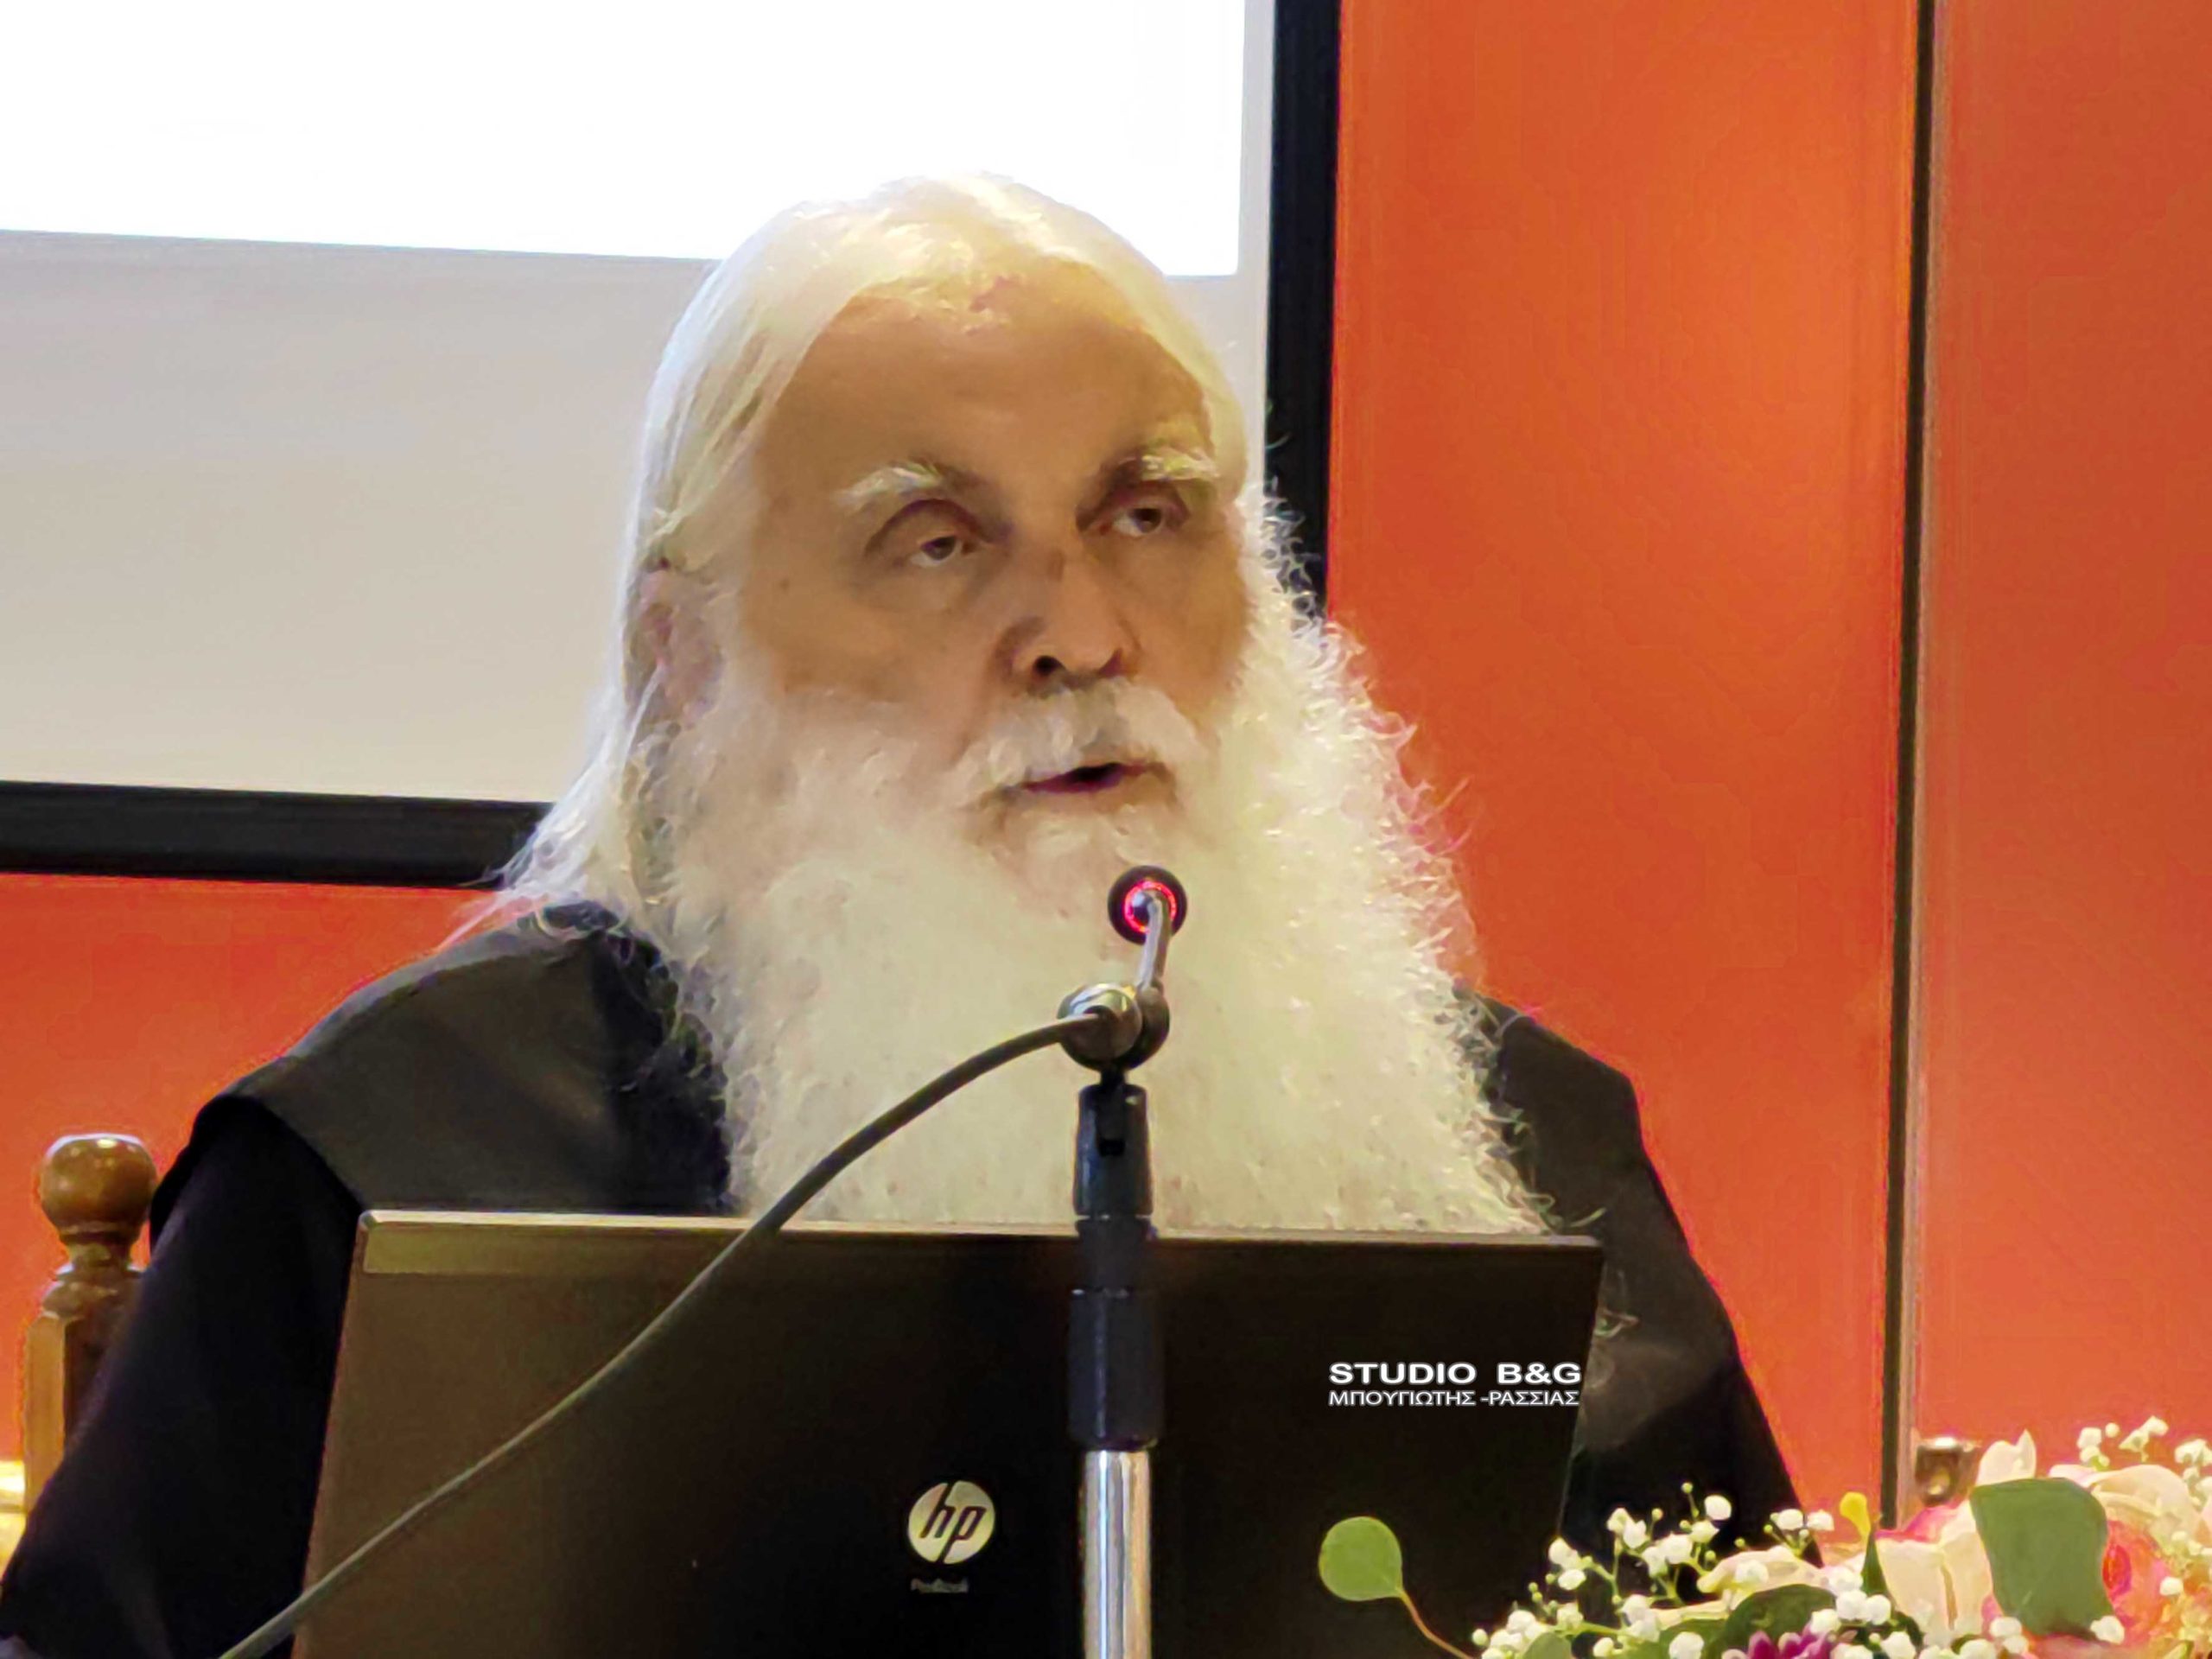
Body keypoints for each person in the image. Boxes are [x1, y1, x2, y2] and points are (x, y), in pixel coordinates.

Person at [0, 177, 1793, 1659]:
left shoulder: (1524, 1155)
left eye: (1145, 515)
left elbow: (1743, 1623)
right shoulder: (398, 1164)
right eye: (935, 541)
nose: (1078, 632)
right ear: (682, 656)